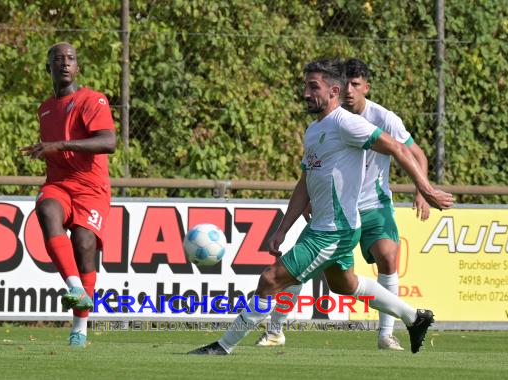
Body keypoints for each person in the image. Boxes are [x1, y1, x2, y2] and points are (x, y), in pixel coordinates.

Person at [188, 58, 453, 356]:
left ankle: (222, 347)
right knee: (345, 284)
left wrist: (426, 188)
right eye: (305, 86)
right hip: (322, 227)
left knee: (270, 279)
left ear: (333, 91)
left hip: (334, 231)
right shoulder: (314, 130)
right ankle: (414, 318)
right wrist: (282, 229)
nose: (305, 93)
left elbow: (398, 148)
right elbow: (305, 181)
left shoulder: (347, 123)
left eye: (313, 86)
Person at [255, 58, 430, 351]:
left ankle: (386, 334)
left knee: (387, 256)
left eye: (355, 85)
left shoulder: (383, 118)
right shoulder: (325, 121)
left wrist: (423, 190)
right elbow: (313, 170)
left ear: (365, 88)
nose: (349, 90)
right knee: (315, 274)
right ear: (336, 88)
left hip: (373, 204)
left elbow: (413, 153)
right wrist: (313, 196)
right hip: (335, 210)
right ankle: (275, 330)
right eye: (345, 83)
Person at [21, 42, 116, 347]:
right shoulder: (45, 108)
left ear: (78, 67)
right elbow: (54, 146)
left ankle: (80, 326)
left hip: (91, 188)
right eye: (57, 59)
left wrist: (59, 145)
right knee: (46, 210)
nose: (64, 63)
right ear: (47, 68)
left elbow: (108, 142)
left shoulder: (92, 100)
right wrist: (44, 149)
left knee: (84, 243)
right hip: (59, 184)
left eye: (70, 59)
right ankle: (75, 287)